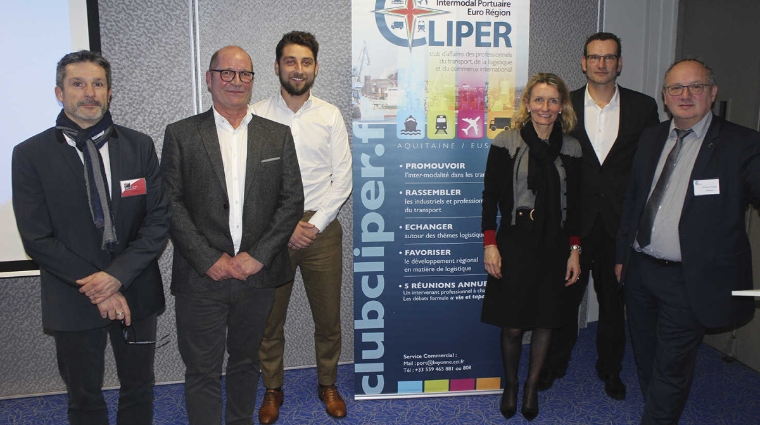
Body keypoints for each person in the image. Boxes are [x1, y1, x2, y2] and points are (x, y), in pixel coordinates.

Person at [11, 50, 171, 425]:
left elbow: (158, 218)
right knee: (83, 398)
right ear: (59, 92)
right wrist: (101, 286)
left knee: (139, 387)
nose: (89, 93)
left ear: (109, 92)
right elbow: (36, 237)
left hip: (135, 288)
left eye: (97, 84)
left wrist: (117, 277)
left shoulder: (139, 146)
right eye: (77, 83)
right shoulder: (29, 154)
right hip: (72, 295)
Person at [161, 45, 304, 425]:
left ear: (254, 80)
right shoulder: (181, 135)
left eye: (245, 74)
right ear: (209, 79)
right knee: (203, 370)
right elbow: (170, 204)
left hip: (256, 276)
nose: (236, 82)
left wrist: (258, 256)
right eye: (226, 73)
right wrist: (209, 259)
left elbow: (291, 202)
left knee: (245, 362)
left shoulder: (277, 135)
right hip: (200, 277)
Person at [616, 58, 760, 424]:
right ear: (664, 97)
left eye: (695, 86)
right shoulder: (651, 137)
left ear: (712, 93)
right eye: (676, 88)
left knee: (672, 365)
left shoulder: (741, 144)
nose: (685, 95)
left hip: (690, 277)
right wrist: (621, 256)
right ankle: (659, 408)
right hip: (641, 270)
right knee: (647, 355)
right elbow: (634, 200)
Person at [539, 32, 660, 399]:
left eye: (609, 58)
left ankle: (610, 370)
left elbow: (648, 168)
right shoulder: (566, 105)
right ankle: (554, 366)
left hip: (620, 225)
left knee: (612, 305)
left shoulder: (643, 107)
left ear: (619, 63)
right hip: (573, 223)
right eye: (595, 57)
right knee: (565, 301)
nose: (602, 64)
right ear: (583, 62)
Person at [252, 31, 352, 424]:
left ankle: (328, 383)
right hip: (272, 231)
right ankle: (273, 388)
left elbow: (342, 178)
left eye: (306, 62)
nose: (298, 69)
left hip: (321, 231)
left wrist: (313, 223)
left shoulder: (329, 115)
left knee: (327, 318)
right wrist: (287, 225)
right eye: (290, 61)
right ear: (277, 66)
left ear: (315, 67)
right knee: (269, 320)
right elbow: (252, 182)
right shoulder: (257, 114)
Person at [481, 73, 582, 421]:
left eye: (553, 101)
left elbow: (577, 206)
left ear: (562, 106)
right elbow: (490, 197)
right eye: (538, 100)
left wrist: (575, 251)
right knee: (512, 325)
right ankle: (511, 384)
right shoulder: (506, 141)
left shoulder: (571, 147)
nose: (545, 107)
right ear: (527, 104)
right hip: (515, 239)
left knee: (544, 321)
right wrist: (490, 245)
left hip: (554, 243)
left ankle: (530, 387)